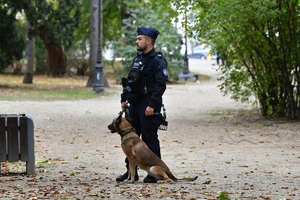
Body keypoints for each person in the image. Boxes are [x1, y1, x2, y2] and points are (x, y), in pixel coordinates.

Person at [118, 27, 168, 183]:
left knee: (149, 138)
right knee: (130, 138)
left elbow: (161, 85)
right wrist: (124, 98)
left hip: (148, 104)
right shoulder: (137, 59)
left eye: (139, 39)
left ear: (149, 41)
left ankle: (153, 173)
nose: (136, 41)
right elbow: (130, 80)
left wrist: (152, 105)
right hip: (135, 103)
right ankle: (130, 172)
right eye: (137, 38)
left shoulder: (157, 60)